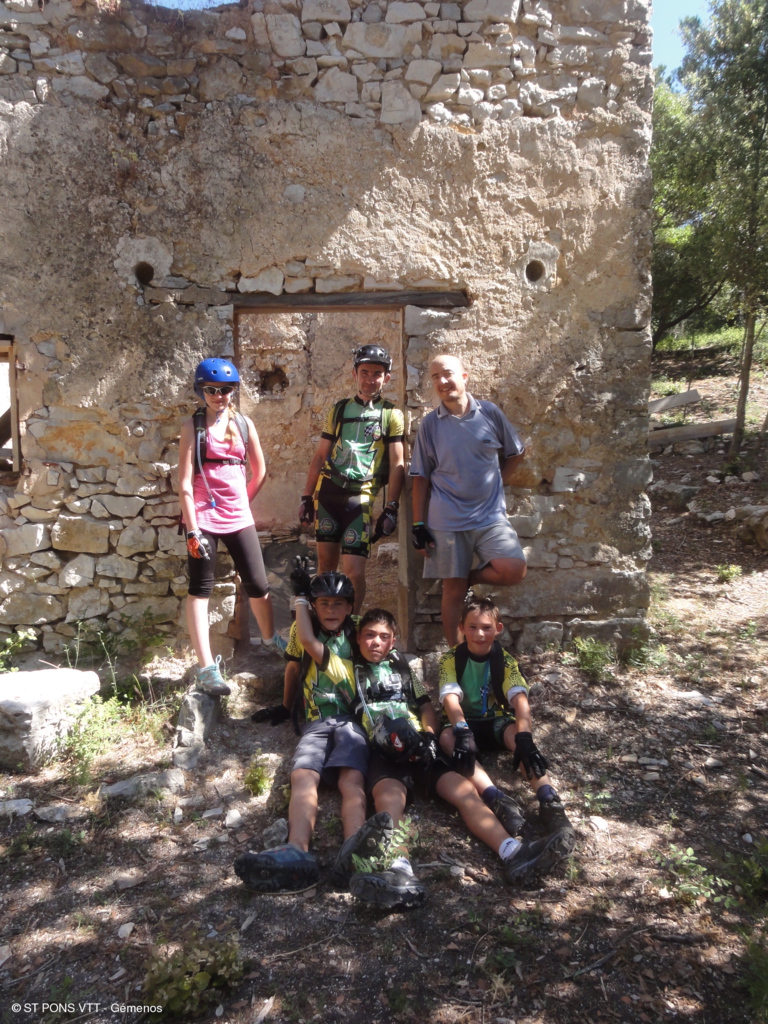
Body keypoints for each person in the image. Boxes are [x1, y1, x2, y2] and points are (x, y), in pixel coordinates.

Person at [347, 607, 573, 907]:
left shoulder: (402, 665)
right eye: (368, 635)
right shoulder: (346, 667)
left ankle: (512, 851)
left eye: (383, 636)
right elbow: (317, 643)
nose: (376, 642)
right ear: (357, 637)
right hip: (384, 749)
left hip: (419, 743)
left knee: (465, 791)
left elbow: (425, 705)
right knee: (389, 801)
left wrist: (430, 736)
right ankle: (399, 870)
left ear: (393, 640)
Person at [235, 571, 393, 892]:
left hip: (352, 721)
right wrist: (285, 706)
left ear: (350, 607)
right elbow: (294, 665)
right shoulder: (300, 629)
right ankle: (297, 851)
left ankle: (353, 848)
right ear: (314, 606)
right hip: (317, 721)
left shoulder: (359, 628)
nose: (331, 609)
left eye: (338, 603)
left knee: (352, 780)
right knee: (303, 775)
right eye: (323, 603)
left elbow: (384, 646)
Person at [178, 358, 284, 697]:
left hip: (238, 516)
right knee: (200, 589)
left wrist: (242, 503)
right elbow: (184, 483)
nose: (218, 396)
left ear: (233, 391)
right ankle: (206, 668)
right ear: (201, 391)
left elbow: (260, 470)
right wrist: (192, 530)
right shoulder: (192, 427)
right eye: (211, 390)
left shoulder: (243, 424)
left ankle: (270, 640)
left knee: (258, 584)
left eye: (225, 390)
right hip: (202, 518)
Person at [437, 594, 576, 850]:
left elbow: (520, 700)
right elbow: (450, 699)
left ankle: (549, 799)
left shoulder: (505, 660)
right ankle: (495, 796)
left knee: (519, 739)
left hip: (495, 721)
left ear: (498, 629)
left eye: (486, 627)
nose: (479, 634)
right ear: (461, 628)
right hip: (464, 723)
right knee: (447, 738)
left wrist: (526, 738)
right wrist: (462, 730)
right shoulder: (450, 659)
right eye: (472, 627)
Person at [410, 353, 527, 645]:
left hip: (490, 517)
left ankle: (468, 577)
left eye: (447, 373)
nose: (442, 381)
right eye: (435, 377)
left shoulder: (490, 413)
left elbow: (516, 453)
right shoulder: (430, 425)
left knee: (513, 569)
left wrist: (498, 481)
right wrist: (418, 525)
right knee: (452, 591)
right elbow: (420, 477)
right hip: (447, 520)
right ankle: (456, 655)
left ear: (464, 376)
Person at [299, 345, 405, 612]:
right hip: (329, 491)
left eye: (377, 373)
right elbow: (320, 455)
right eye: (365, 372)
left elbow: (398, 463)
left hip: (361, 496)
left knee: (354, 572)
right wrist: (306, 497)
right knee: (325, 568)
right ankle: (323, 623)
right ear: (354, 374)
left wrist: (392, 506)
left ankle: (353, 623)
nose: (370, 379)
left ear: (386, 378)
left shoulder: (392, 414)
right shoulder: (338, 410)